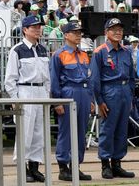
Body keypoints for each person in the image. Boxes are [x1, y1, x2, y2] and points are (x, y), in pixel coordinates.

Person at [4, 15, 50, 183]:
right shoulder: (17, 50)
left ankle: (34, 166)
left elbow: (47, 77)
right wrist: (15, 100)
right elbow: (10, 79)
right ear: (25, 29)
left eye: (39, 27)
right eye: (34, 27)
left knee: (39, 132)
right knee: (25, 131)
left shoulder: (43, 49)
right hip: (25, 91)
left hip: (40, 92)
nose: (38, 29)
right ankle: (22, 167)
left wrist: (47, 94)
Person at [91, 18, 135, 179]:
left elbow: (131, 77)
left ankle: (117, 163)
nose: (117, 32)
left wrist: (130, 97)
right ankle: (105, 164)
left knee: (122, 130)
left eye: (120, 29)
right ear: (106, 32)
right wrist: (100, 101)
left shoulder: (126, 51)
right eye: (113, 29)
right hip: (109, 92)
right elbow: (95, 80)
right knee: (108, 129)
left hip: (124, 92)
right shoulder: (100, 52)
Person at [50, 22, 93, 181]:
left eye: (79, 32)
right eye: (74, 32)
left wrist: (90, 99)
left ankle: (76, 165)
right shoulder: (59, 55)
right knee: (66, 130)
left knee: (81, 131)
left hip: (83, 93)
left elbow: (88, 78)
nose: (78, 35)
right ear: (66, 35)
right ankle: (63, 166)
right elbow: (54, 81)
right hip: (68, 92)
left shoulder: (83, 54)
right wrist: (57, 101)